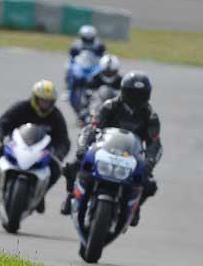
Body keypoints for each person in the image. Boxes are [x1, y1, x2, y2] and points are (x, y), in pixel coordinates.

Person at [61, 71, 162, 226]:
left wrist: (150, 162)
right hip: (103, 150)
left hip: (131, 156)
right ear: (123, 91)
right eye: (132, 93)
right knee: (72, 166)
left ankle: (135, 207)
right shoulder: (110, 106)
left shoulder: (150, 116)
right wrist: (83, 147)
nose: (135, 98)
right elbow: (91, 128)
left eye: (140, 95)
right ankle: (71, 195)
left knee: (149, 184)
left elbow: (155, 143)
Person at [0, 80, 70, 213]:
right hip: (17, 148)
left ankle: (41, 193)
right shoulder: (21, 108)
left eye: (49, 102)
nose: (45, 105)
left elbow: (63, 140)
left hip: (42, 153)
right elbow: (2, 124)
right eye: (42, 101)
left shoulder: (56, 116)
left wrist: (59, 153)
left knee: (56, 169)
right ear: (35, 98)